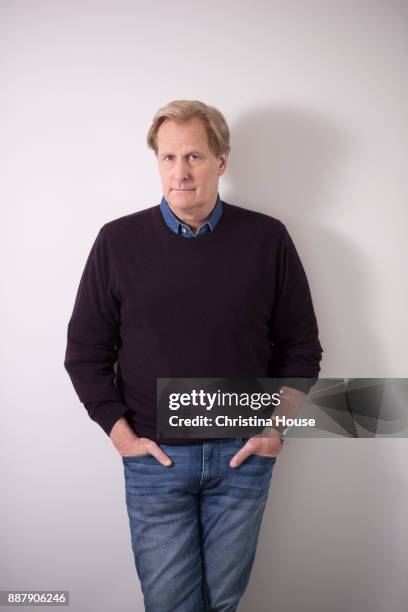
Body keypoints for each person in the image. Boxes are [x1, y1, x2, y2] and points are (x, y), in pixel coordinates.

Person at [64, 99, 323, 612]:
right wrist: (121, 436)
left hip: (241, 455)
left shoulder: (267, 239)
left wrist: (274, 430)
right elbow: (86, 352)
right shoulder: (117, 242)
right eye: (168, 158)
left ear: (222, 160)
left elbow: (300, 347)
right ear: (156, 162)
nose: (180, 173)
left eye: (195, 157)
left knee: (222, 603)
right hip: (154, 461)